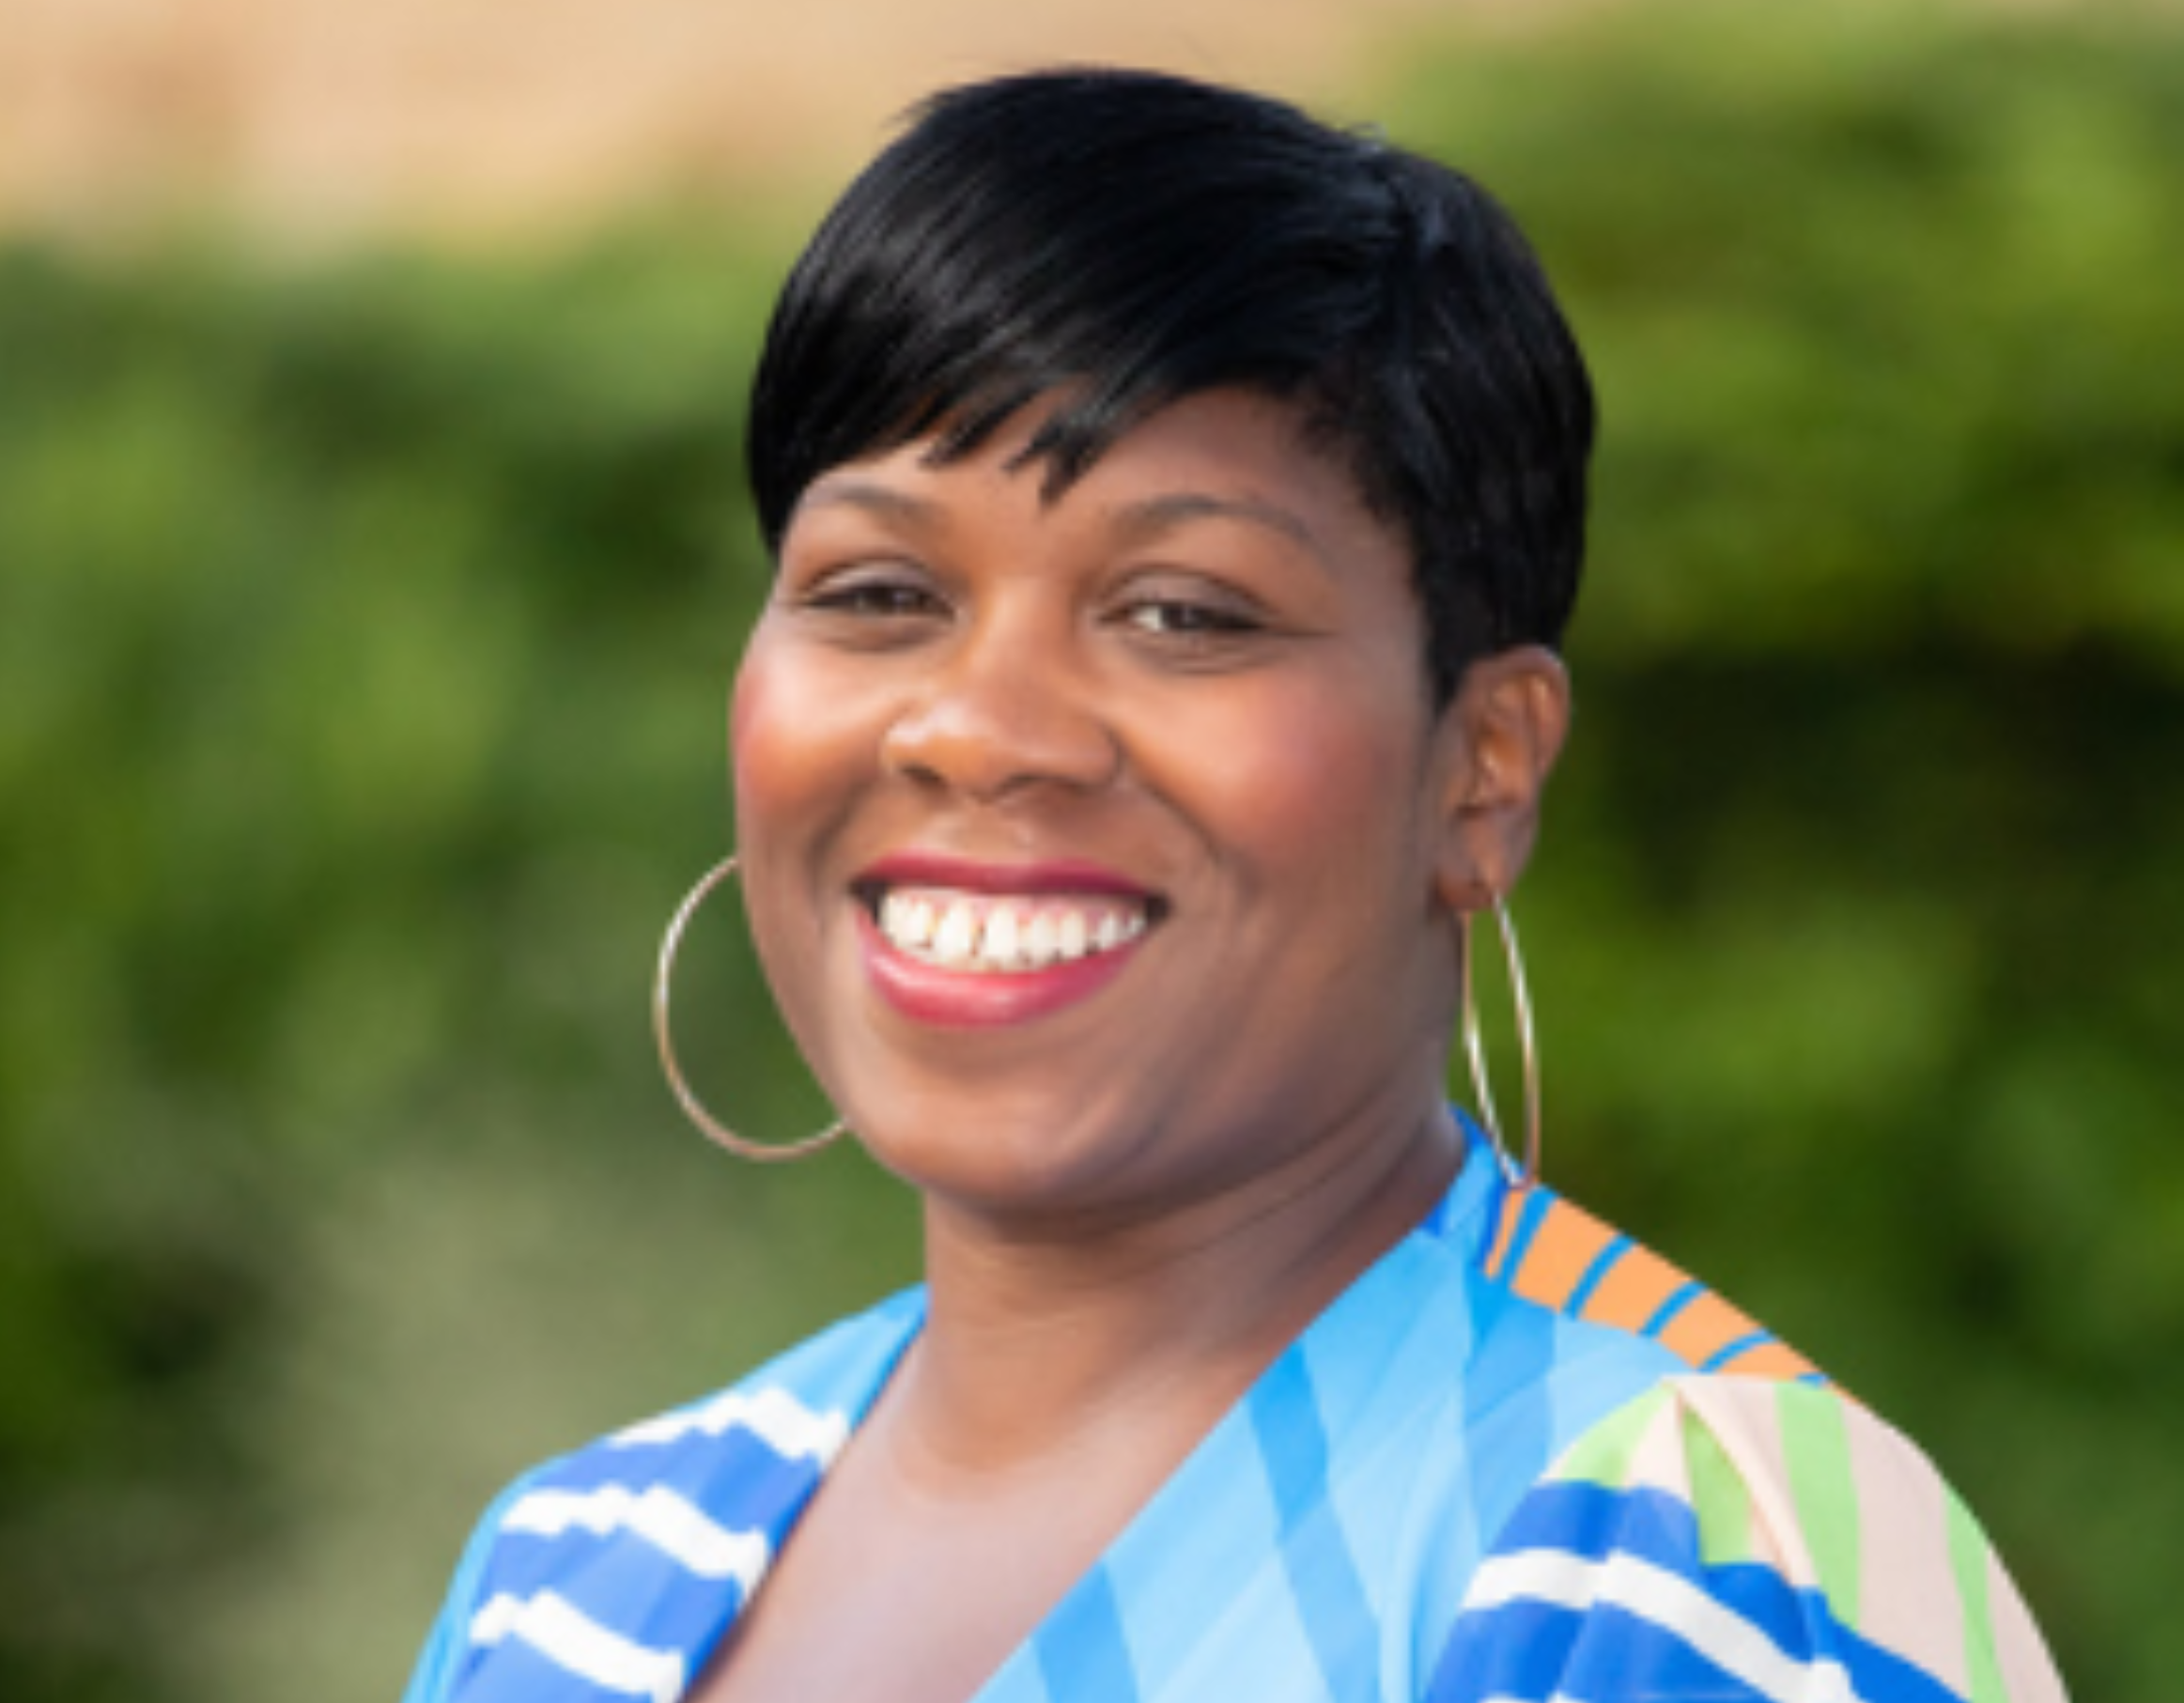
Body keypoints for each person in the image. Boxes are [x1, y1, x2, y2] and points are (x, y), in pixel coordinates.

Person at [401, 68, 2066, 1703]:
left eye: (1182, 613)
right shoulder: (569, 1572)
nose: (979, 732)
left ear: (1482, 767)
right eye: (880, 591)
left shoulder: (1676, 1557)